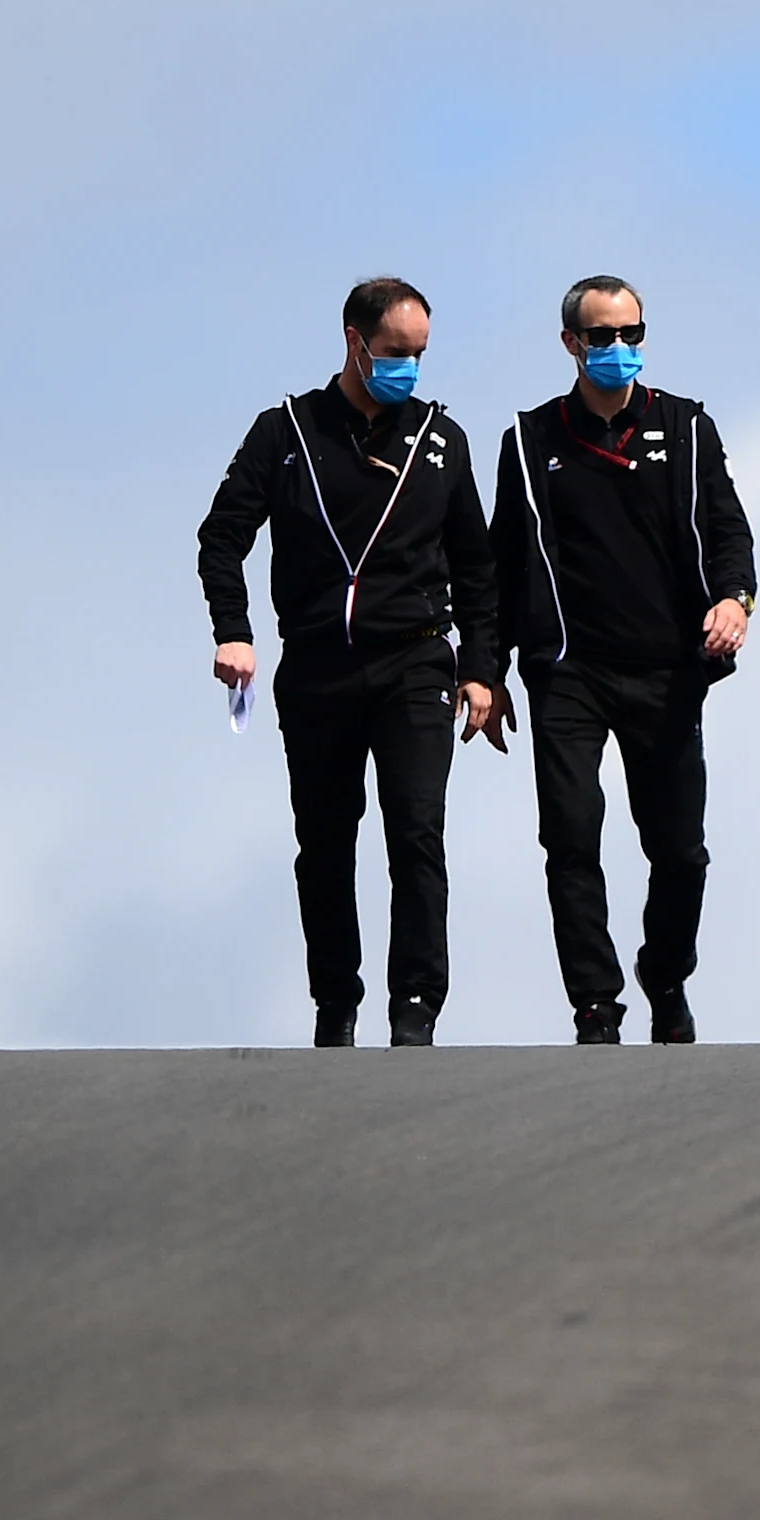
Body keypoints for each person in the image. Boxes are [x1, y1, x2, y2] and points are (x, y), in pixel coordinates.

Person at [198, 277, 503, 1047]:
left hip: (415, 664)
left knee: (417, 834)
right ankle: (335, 1003)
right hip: (318, 667)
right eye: (395, 352)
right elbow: (221, 535)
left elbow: (477, 566)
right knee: (325, 842)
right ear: (353, 340)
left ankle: (417, 1007)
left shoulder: (443, 439)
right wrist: (232, 630)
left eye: (420, 354)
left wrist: (482, 668)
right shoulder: (286, 431)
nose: (408, 367)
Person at [490, 276, 756, 1045]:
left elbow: (729, 530)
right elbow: (503, 565)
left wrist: (734, 599)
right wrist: (488, 666)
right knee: (571, 838)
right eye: (602, 337)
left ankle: (665, 974)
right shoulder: (529, 438)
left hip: (667, 670)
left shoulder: (688, 427)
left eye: (631, 335)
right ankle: (595, 1005)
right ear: (572, 344)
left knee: (680, 851)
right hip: (568, 672)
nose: (618, 350)